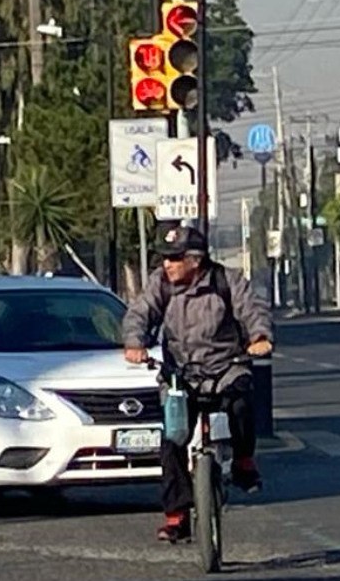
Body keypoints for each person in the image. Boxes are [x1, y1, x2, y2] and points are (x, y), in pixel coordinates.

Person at [121, 225, 274, 543]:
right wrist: (135, 343)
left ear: (196, 259)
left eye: (175, 258)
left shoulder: (226, 281)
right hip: (181, 373)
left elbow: (253, 310)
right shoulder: (160, 284)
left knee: (242, 403)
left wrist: (259, 337)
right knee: (173, 437)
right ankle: (177, 516)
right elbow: (139, 313)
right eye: (164, 258)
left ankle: (244, 460)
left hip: (226, 367)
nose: (168, 264)